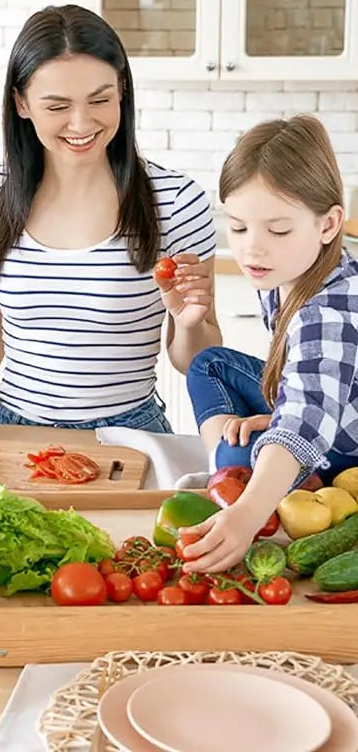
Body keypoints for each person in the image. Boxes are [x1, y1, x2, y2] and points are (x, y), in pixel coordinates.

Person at [0, 4, 221, 438]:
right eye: (58, 106)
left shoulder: (175, 202)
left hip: (132, 433)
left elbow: (195, 358)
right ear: (21, 103)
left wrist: (190, 325)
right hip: (12, 429)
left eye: (100, 100)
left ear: (122, 91)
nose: (82, 123)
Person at [180, 116, 357, 573]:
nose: (253, 250)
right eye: (238, 228)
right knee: (209, 364)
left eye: (277, 230)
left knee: (250, 458)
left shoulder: (329, 311)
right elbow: (303, 378)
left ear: (328, 223)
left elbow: (306, 417)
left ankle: (239, 478)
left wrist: (248, 513)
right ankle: (232, 473)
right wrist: (279, 409)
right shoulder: (282, 269)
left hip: (348, 444)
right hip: (326, 408)